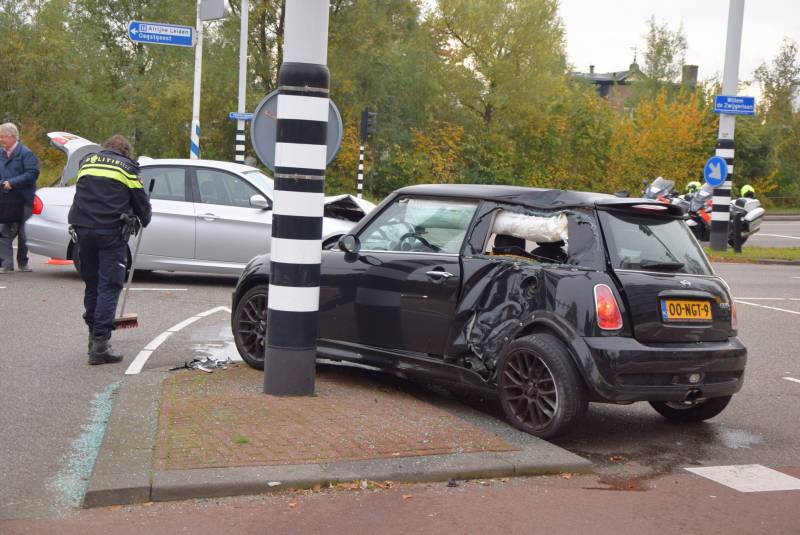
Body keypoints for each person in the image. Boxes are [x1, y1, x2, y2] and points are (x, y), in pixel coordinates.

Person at [68, 135, 151, 365]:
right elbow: (141, 203)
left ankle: (92, 336)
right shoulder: (128, 168)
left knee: (92, 284)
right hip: (110, 233)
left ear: (105, 148)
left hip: (82, 231)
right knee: (109, 285)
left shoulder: (87, 162)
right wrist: (144, 218)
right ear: (125, 151)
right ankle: (100, 346)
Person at [0, 123, 40, 273]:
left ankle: (23, 262)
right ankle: (6, 264)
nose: (0, 139)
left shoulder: (26, 153)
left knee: (24, 233)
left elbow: (32, 174)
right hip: (5, 199)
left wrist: (12, 182)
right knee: (4, 231)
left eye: (2, 136)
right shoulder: (1, 153)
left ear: (13, 137)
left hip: (24, 200)